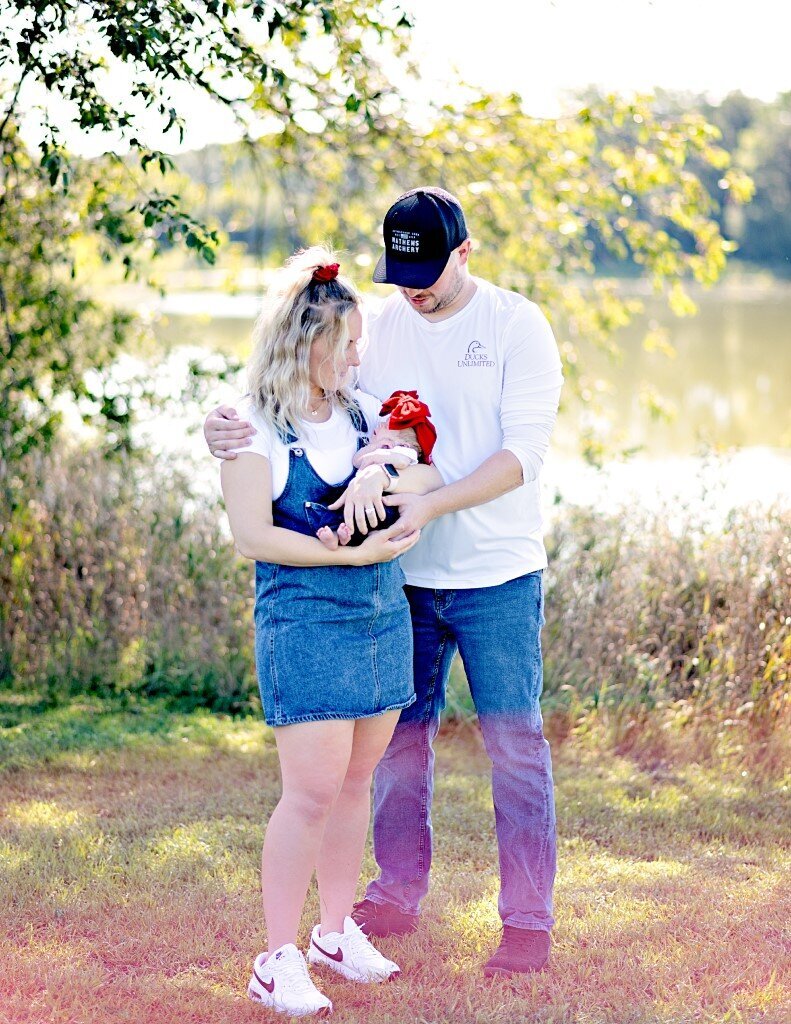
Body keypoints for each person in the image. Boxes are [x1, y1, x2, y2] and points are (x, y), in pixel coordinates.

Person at [206, 187, 564, 978]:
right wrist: (217, 424)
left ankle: (527, 923)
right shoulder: (380, 324)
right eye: (401, 271)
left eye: (429, 269)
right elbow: (308, 390)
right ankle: (393, 897)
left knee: (513, 743)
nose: (414, 286)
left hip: (496, 571)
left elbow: (522, 455)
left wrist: (425, 495)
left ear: (464, 252)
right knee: (397, 751)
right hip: (398, 580)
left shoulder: (516, 325)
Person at [220, 247, 442, 1016]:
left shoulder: (357, 407)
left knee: (355, 784)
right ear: (305, 343)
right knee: (309, 794)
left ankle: (335, 933)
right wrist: (352, 556)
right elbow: (251, 537)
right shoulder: (249, 428)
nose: (358, 355)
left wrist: (383, 471)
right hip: (306, 624)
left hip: (381, 620)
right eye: (346, 343)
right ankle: (274, 959)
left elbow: (428, 474)